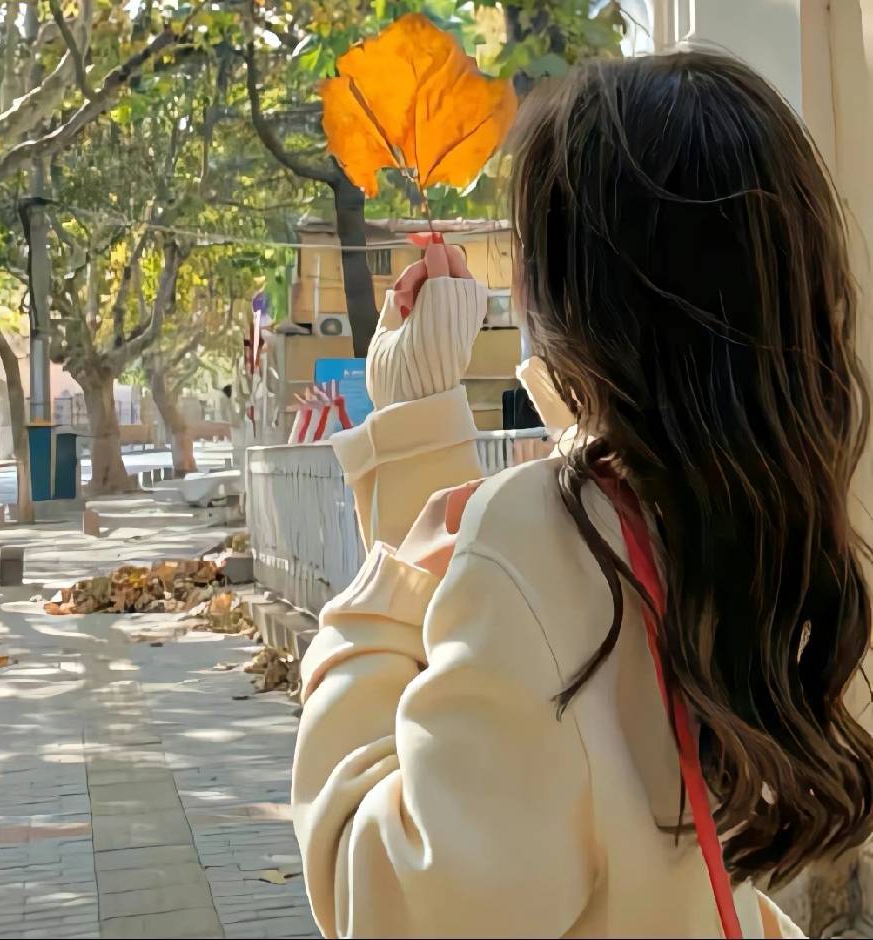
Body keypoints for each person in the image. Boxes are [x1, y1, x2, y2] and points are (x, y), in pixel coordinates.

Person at [291, 50, 873, 938]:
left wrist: (372, 617)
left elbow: (392, 900)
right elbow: (540, 700)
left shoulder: (545, 541)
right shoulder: (761, 504)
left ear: (577, 295)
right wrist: (419, 409)